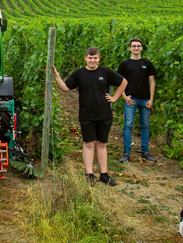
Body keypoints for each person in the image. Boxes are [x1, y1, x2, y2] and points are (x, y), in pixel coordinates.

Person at [52, 47, 127, 186]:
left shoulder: (105, 71)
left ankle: (104, 174)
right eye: (90, 58)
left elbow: (123, 82)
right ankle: (89, 174)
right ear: (85, 58)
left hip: (104, 114)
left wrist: (115, 97)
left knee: (102, 144)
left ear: (99, 58)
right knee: (89, 143)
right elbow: (65, 88)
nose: (93, 60)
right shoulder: (79, 73)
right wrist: (56, 76)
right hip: (87, 114)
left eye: (95, 58)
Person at [117, 38, 158, 163]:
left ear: (141, 48)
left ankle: (145, 152)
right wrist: (124, 96)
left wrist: (151, 99)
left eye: (138, 46)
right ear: (130, 48)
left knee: (145, 126)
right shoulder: (124, 64)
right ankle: (127, 153)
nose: (136, 48)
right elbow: (120, 82)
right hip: (131, 99)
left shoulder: (147, 63)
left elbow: (152, 82)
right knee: (128, 125)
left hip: (145, 99)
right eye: (133, 46)